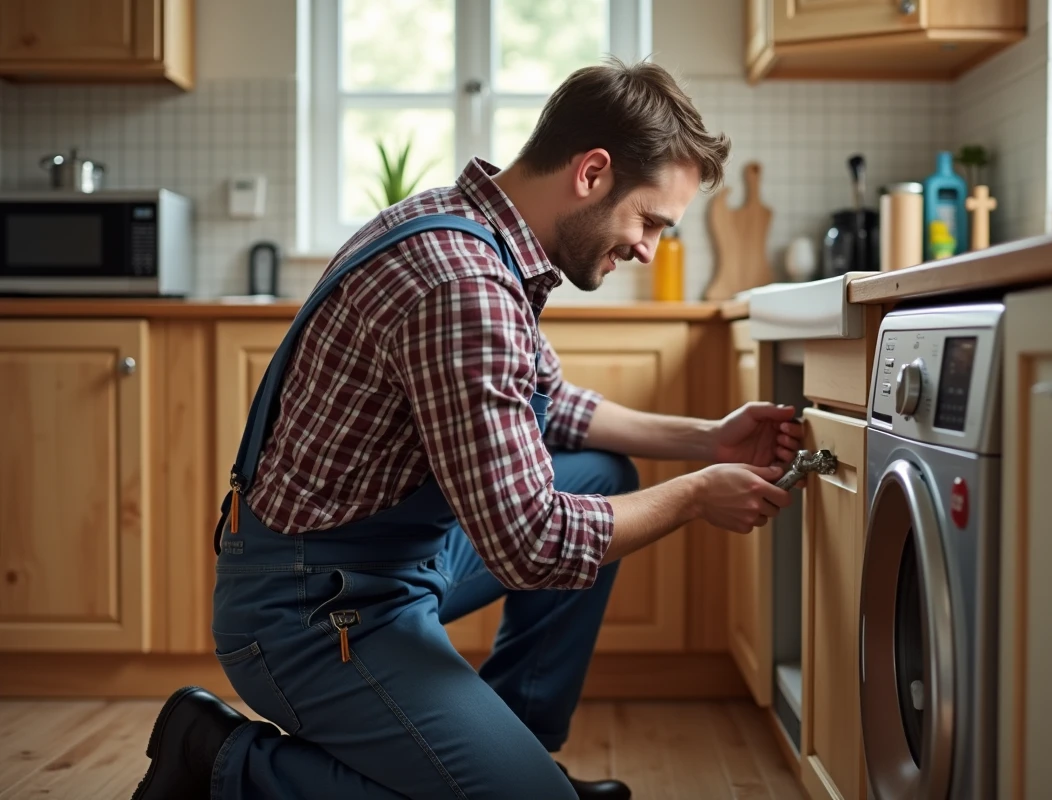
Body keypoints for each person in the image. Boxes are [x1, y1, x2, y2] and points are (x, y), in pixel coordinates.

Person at [132, 57, 803, 800]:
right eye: (649, 221)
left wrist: (706, 438)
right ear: (591, 173)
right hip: (309, 607)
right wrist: (697, 495)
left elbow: (555, 404)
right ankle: (220, 761)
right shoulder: (464, 285)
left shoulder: (461, 226)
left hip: (375, 563)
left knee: (602, 473)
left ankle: (506, 742)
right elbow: (533, 544)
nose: (648, 248)